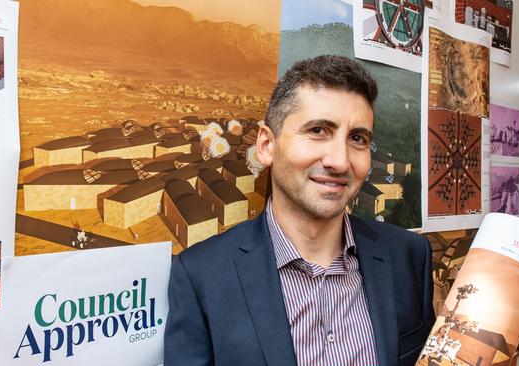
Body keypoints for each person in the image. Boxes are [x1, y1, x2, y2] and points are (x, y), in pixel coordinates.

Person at [164, 55, 434, 366]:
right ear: (267, 145)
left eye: (357, 139)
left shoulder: (409, 256)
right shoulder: (202, 276)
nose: (340, 161)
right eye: (318, 130)